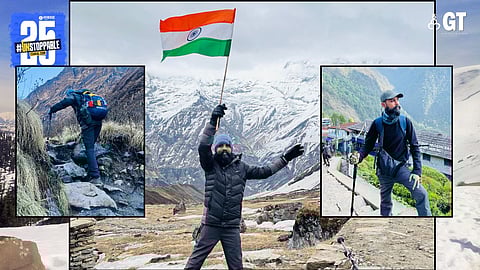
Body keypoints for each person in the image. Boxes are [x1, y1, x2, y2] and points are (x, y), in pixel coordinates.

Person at [185, 104, 304, 270]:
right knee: (193, 265)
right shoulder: (210, 165)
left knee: (236, 267)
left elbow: (266, 171)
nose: (224, 149)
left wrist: (285, 158)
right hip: (211, 225)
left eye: (227, 146)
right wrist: (213, 121)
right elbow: (203, 146)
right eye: (220, 146)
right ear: (216, 149)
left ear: (232, 149)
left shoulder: (242, 168)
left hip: (231, 228)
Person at [349, 90, 431, 216]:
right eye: (392, 101)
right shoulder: (377, 123)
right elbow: (368, 145)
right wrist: (359, 156)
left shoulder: (405, 122)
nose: (397, 103)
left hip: (401, 168)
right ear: (383, 104)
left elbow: (415, 147)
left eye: (397, 100)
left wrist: (417, 172)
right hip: (384, 170)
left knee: (421, 194)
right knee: (385, 203)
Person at [49, 89, 104, 186]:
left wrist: (52, 109)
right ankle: (91, 169)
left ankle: (95, 177)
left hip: (88, 124)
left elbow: (64, 103)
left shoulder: (74, 96)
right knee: (91, 146)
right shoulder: (86, 96)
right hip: (98, 122)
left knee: (89, 149)